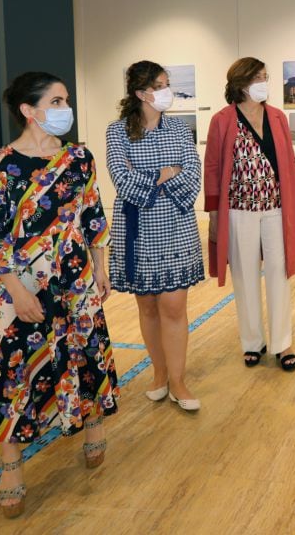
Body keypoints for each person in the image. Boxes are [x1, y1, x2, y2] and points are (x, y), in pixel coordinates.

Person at [0, 71, 119, 518]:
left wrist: (100, 265)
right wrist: (16, 291)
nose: (64, 109)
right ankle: (11, 463)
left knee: (85, 351)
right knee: (12, 369)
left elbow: (93, 212)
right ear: (28, 110)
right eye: (56, 101)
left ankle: (91, 421)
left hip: (74, 277)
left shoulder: (78, 158)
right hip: (17, 284)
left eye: (65, 101)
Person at [106, 61, 204, 412]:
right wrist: (166, 172)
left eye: (167, 84)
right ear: (140, 93)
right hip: (136, 228)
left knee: (174, 306)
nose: (167, 91)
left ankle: (178, 380)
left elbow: (192, 174)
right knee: (147, 305)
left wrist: (152, 175)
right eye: (160, 85)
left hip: (176, 223)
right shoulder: (117, 132)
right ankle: (159, 373)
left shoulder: (179, 128)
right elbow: (121, 179)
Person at [204, 57, 295, 372]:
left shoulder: (277, 117)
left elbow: (289, 160)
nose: (265, 81)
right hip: (238, 210)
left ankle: (282, 343)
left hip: (276, 207)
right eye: (259, 76)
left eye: (266, 75)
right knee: (245, 275)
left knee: (279, 271)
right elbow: (212, 166)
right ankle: (252, 342)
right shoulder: (222, 119)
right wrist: (213, 213)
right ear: (242, 82)